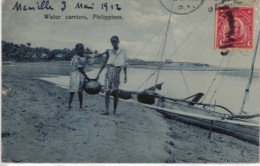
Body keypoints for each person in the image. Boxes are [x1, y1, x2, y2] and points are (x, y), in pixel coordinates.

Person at [67, 43, 106, 110]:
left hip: (82, 75)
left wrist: (103, 53)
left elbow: (94, 56)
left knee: (80, 91)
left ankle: (81, 106)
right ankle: (69, 105)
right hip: (75, 74)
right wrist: (87, 77)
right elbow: (80, 68)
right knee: (72, 91)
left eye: (82, 48)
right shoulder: (75, 58)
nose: (81, 50)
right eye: (79, 49)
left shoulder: (85, 56)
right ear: (76, 50)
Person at [102, 36, 127, 115]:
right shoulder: (109, 51)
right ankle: (106, 111)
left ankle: (114, 110)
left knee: (115, 92)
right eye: (112, 42)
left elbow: (125, 64)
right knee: (107, 91)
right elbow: (105, 62)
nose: (114, 43)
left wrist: (126, 76)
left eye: (115, 42)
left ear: (118, 41)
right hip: (108, 71)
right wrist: (99, 73)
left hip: (116, 72)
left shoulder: (122, 51)